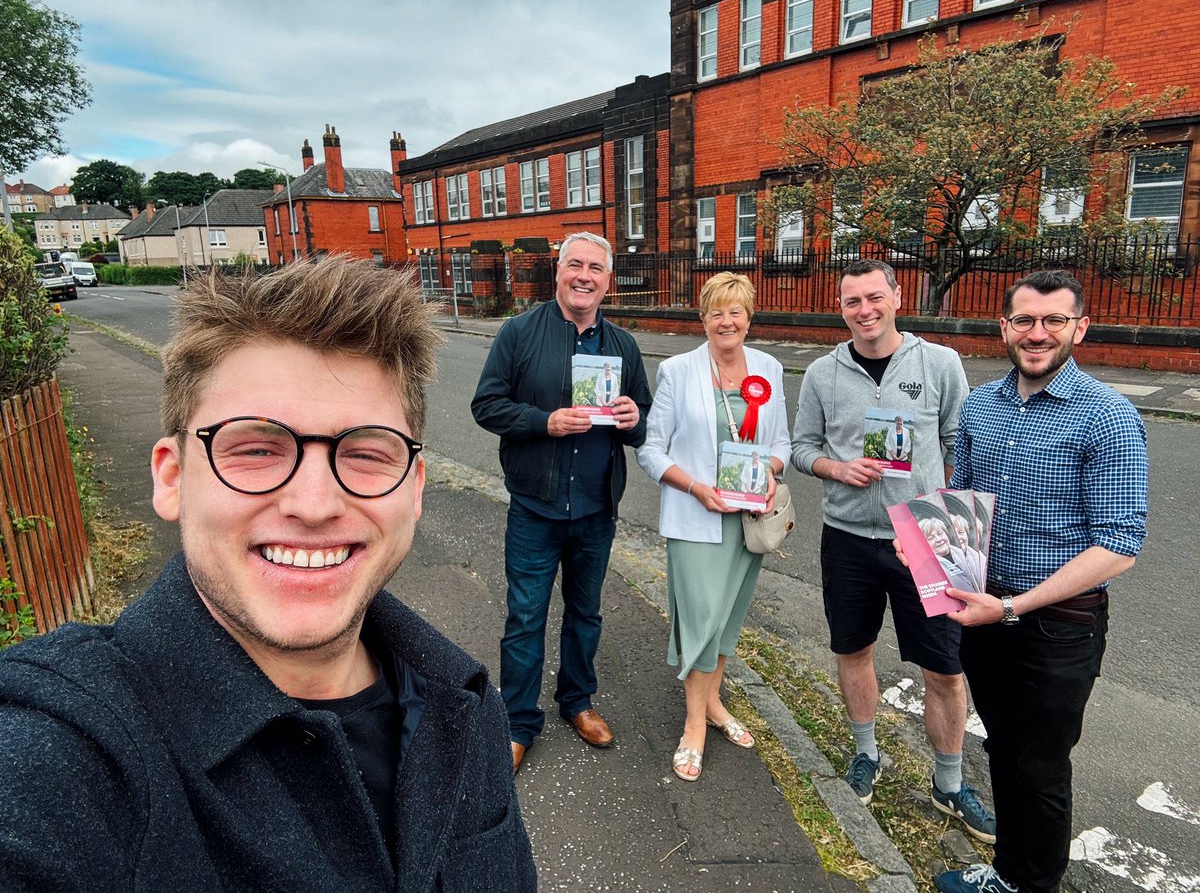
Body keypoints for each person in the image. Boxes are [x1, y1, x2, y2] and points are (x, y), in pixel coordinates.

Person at [0, 256, 536, 891]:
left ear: (414, 490)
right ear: (172, 478)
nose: (313, 505)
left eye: (365, 453)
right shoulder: (66, 752)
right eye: (255, 449)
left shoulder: (467, 704)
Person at [932, 270, 1148, 893]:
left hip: (1058, 627)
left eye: (1055, 320)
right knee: (1002, 748)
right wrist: (925, 540)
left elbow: (1118, 547)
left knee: (1041, 767)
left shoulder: (1107, 416)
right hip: (983, 611)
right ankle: (1007, 873)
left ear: (1079, 327)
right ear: (1004, 327)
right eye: (1024, 320)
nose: (1038, 333)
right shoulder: (980, 408)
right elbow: (960, 503)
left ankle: (1034, 885)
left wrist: (1012, 607)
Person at [791, 258, 995, 841]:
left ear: (897, 296)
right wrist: (836, 466)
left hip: (924, 542)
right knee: (853, 651)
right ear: (841, 308)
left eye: (875, 297)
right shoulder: (823, 374)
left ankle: (950, 784)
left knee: (945, 669)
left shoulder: (939, 363)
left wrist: (949, 520)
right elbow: (803, 447)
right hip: (849, 539)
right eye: (853, 301)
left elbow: (962, 443)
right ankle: (866, 753)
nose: (865, 310)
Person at [472, 232, 651, 774]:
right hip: (536, 506)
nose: (584, 276)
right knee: (525, 616)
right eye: (575, 264)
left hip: (596, 509)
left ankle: (576, 701)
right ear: (558, 271)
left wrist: (633, 419)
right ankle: (518, 722)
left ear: (607, 280)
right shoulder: (519, 333)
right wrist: (543, 422)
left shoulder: (621, 345)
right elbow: (486, 405)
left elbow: (642, 417)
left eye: (596, 268)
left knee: (586, 613)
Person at [637, 272, 791, 781]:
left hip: (747, 521)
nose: (727, 321)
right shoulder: (678, 371)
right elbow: (651, 450)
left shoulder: (768, 368)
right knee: (700, 623)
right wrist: (697, 488)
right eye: (717, 312)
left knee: (726, 620)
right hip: (696, 518)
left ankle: (716, 703)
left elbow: (781, 446)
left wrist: (768, 475)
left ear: (750, 317)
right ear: (702, 319)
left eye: (737, 311)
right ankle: (694, 724)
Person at [919, 517, 977, 593]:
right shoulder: (927, 569)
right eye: (931, 538)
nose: (939, 539)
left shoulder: (969, 553)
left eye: (940, 534)